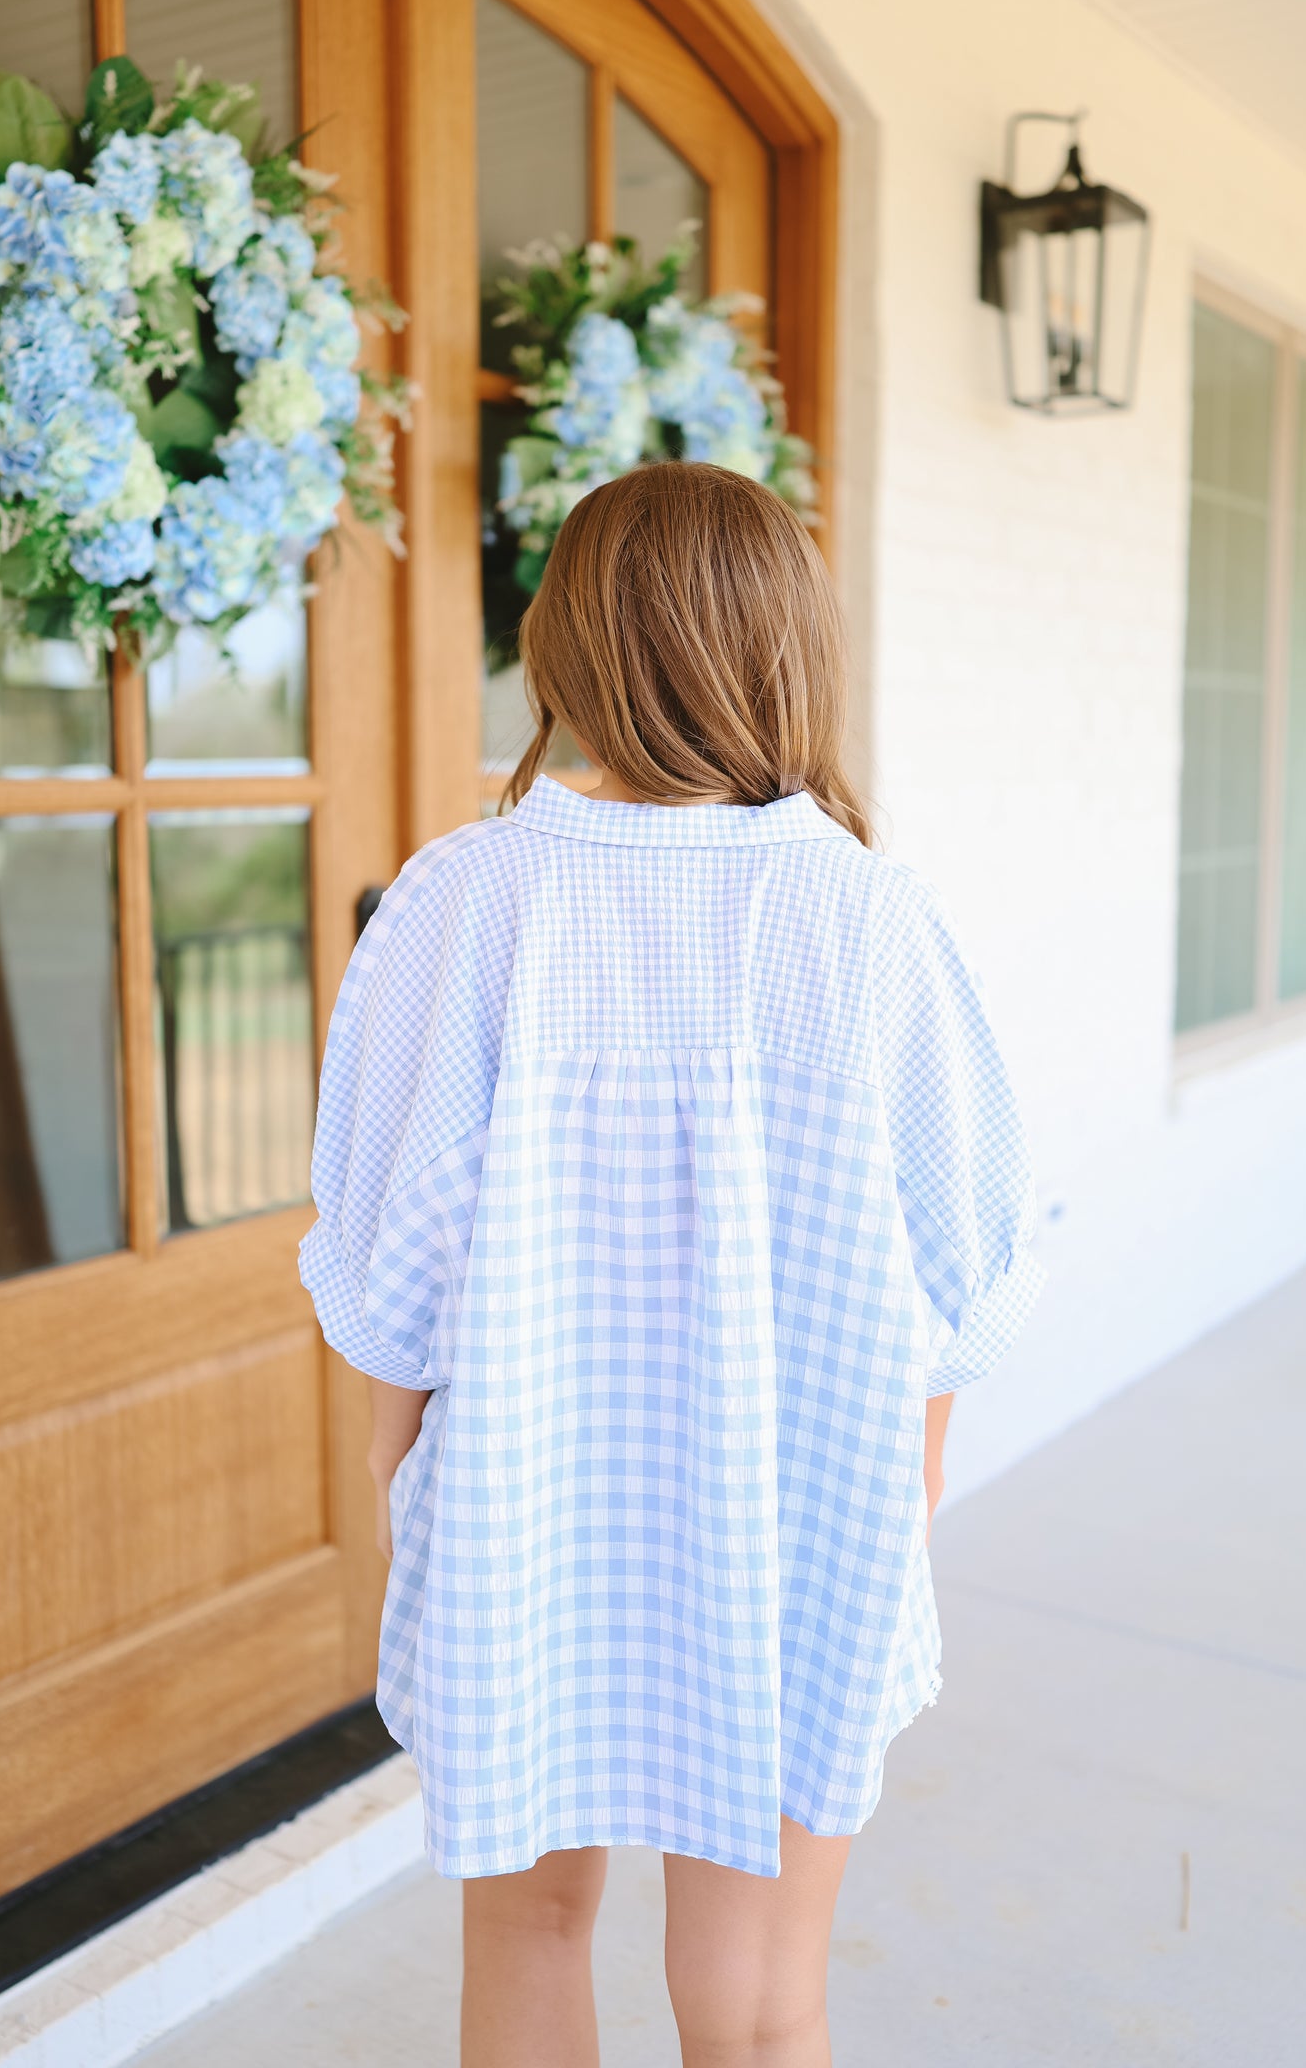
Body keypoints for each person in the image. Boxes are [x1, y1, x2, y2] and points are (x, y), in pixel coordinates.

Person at [300, 459, 1042, 2067]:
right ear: (791, 652)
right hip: (804, 1535)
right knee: (760, 2004)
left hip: (524, 1521)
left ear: (559, 650)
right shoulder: (869, 920)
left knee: (524, 1937)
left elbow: (386, 1275)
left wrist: (401, 1476)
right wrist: (887, 1522)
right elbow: (958, 1285)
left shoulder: (463, 899)